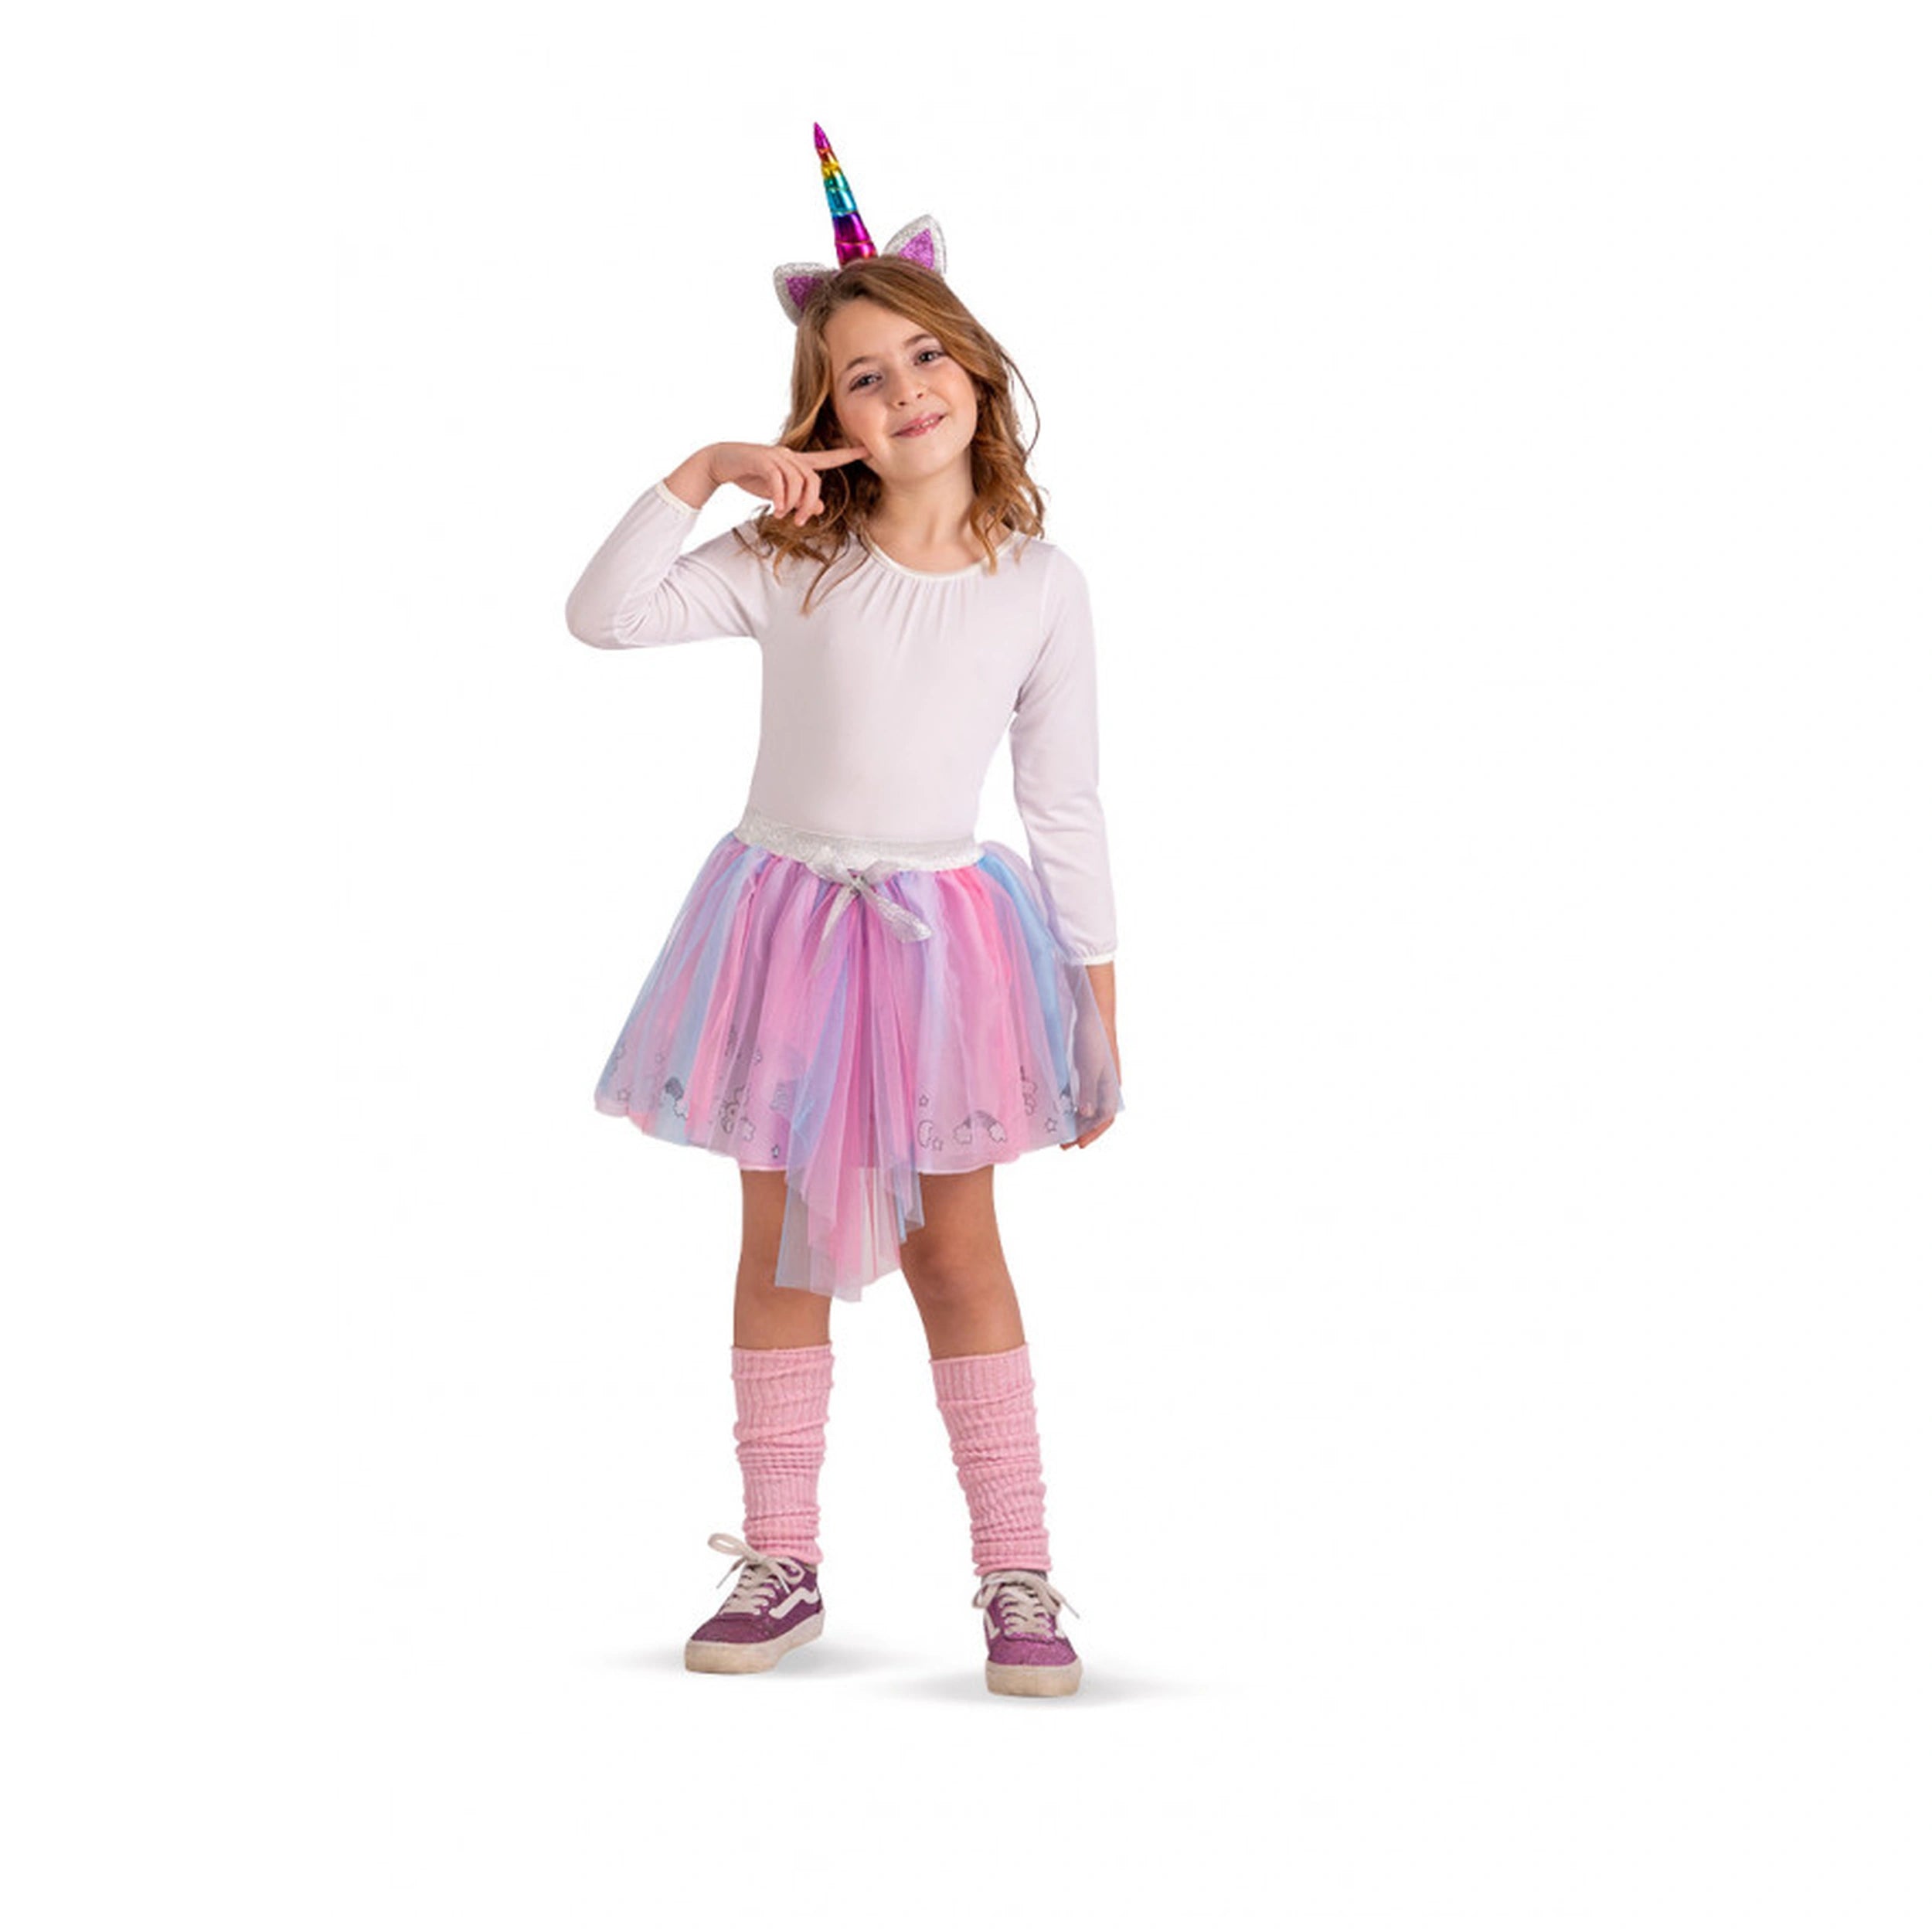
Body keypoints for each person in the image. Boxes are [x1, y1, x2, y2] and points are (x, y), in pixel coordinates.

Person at [563, 128, 1124, 1698]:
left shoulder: (1040, 584)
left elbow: (1065, 803)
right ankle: (780, 1556)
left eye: (924, 356)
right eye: (861, 378)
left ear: (976, 371)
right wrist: (700, 474)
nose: (903, 392)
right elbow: (604, 615)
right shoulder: (787, 554)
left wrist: (1094, 1004)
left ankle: (1016, 1569)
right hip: (784, 929)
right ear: (827, 418)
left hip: (951, 948)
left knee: (958, 1251)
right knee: (784, 1242)